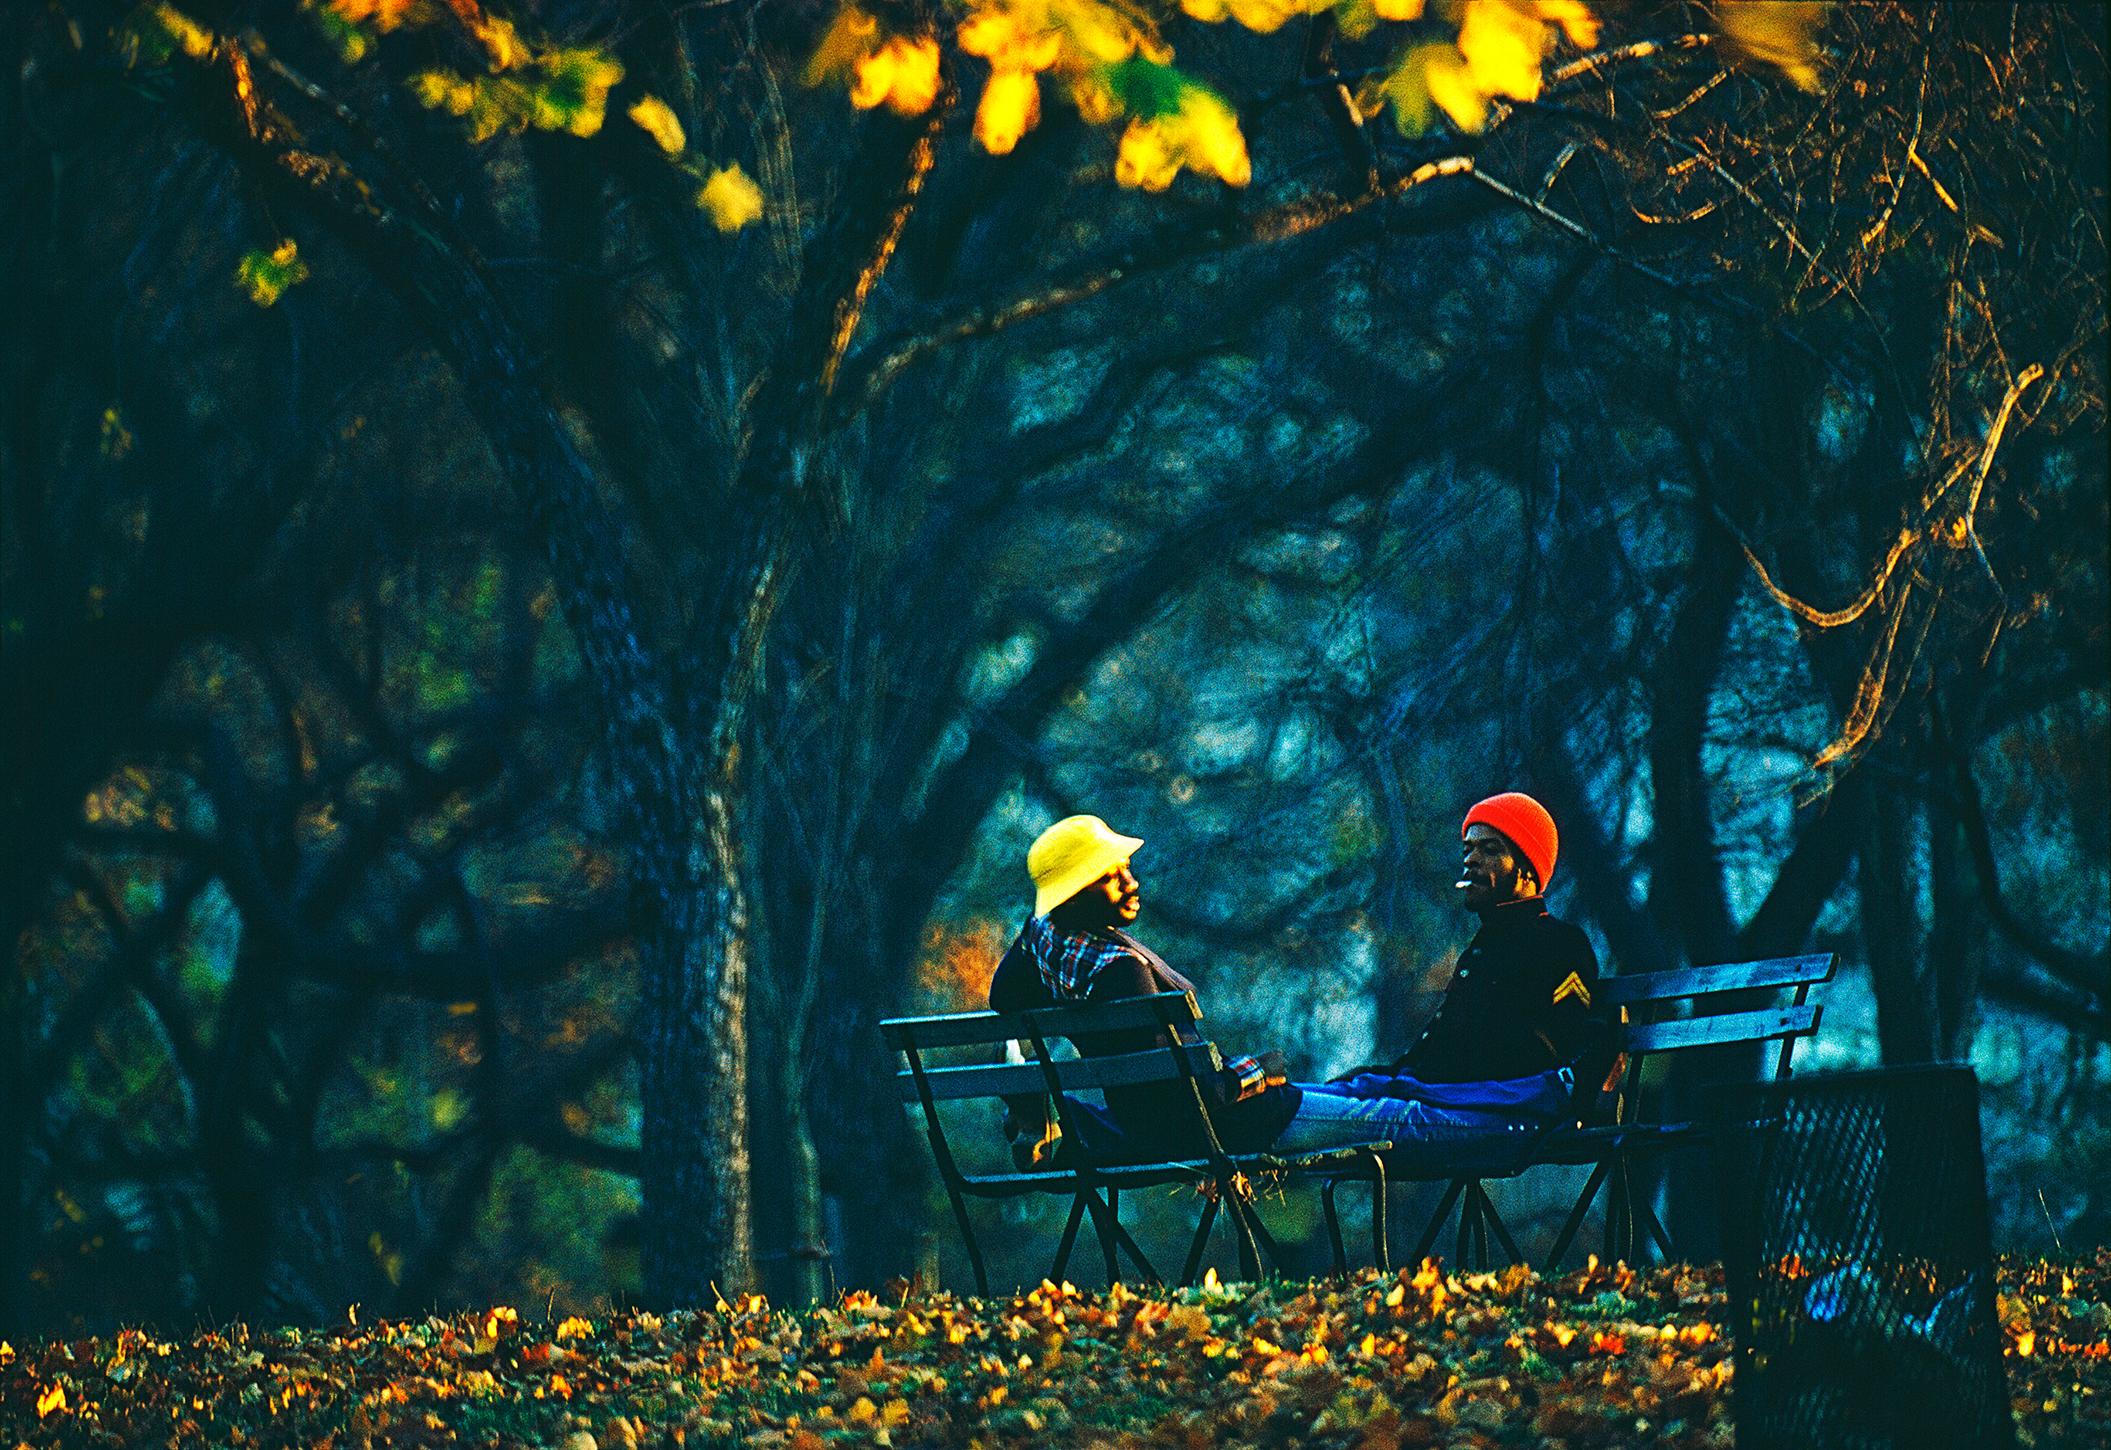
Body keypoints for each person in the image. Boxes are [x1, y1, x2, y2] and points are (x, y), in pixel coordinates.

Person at [990, 802, 1595, 1168]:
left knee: (1368, 1096)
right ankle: (1061, 1118)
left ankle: (1062, 1118)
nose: (1129, 882)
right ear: (1075, 893)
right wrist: (1256, 1073)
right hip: (1236, 1126)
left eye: (1487, 851)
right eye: (1110, 874)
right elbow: (1189, 1104)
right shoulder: (1122, 973)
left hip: (1178, 1125)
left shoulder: (1053, 952)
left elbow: (1003, 994)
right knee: (1392, 1119)